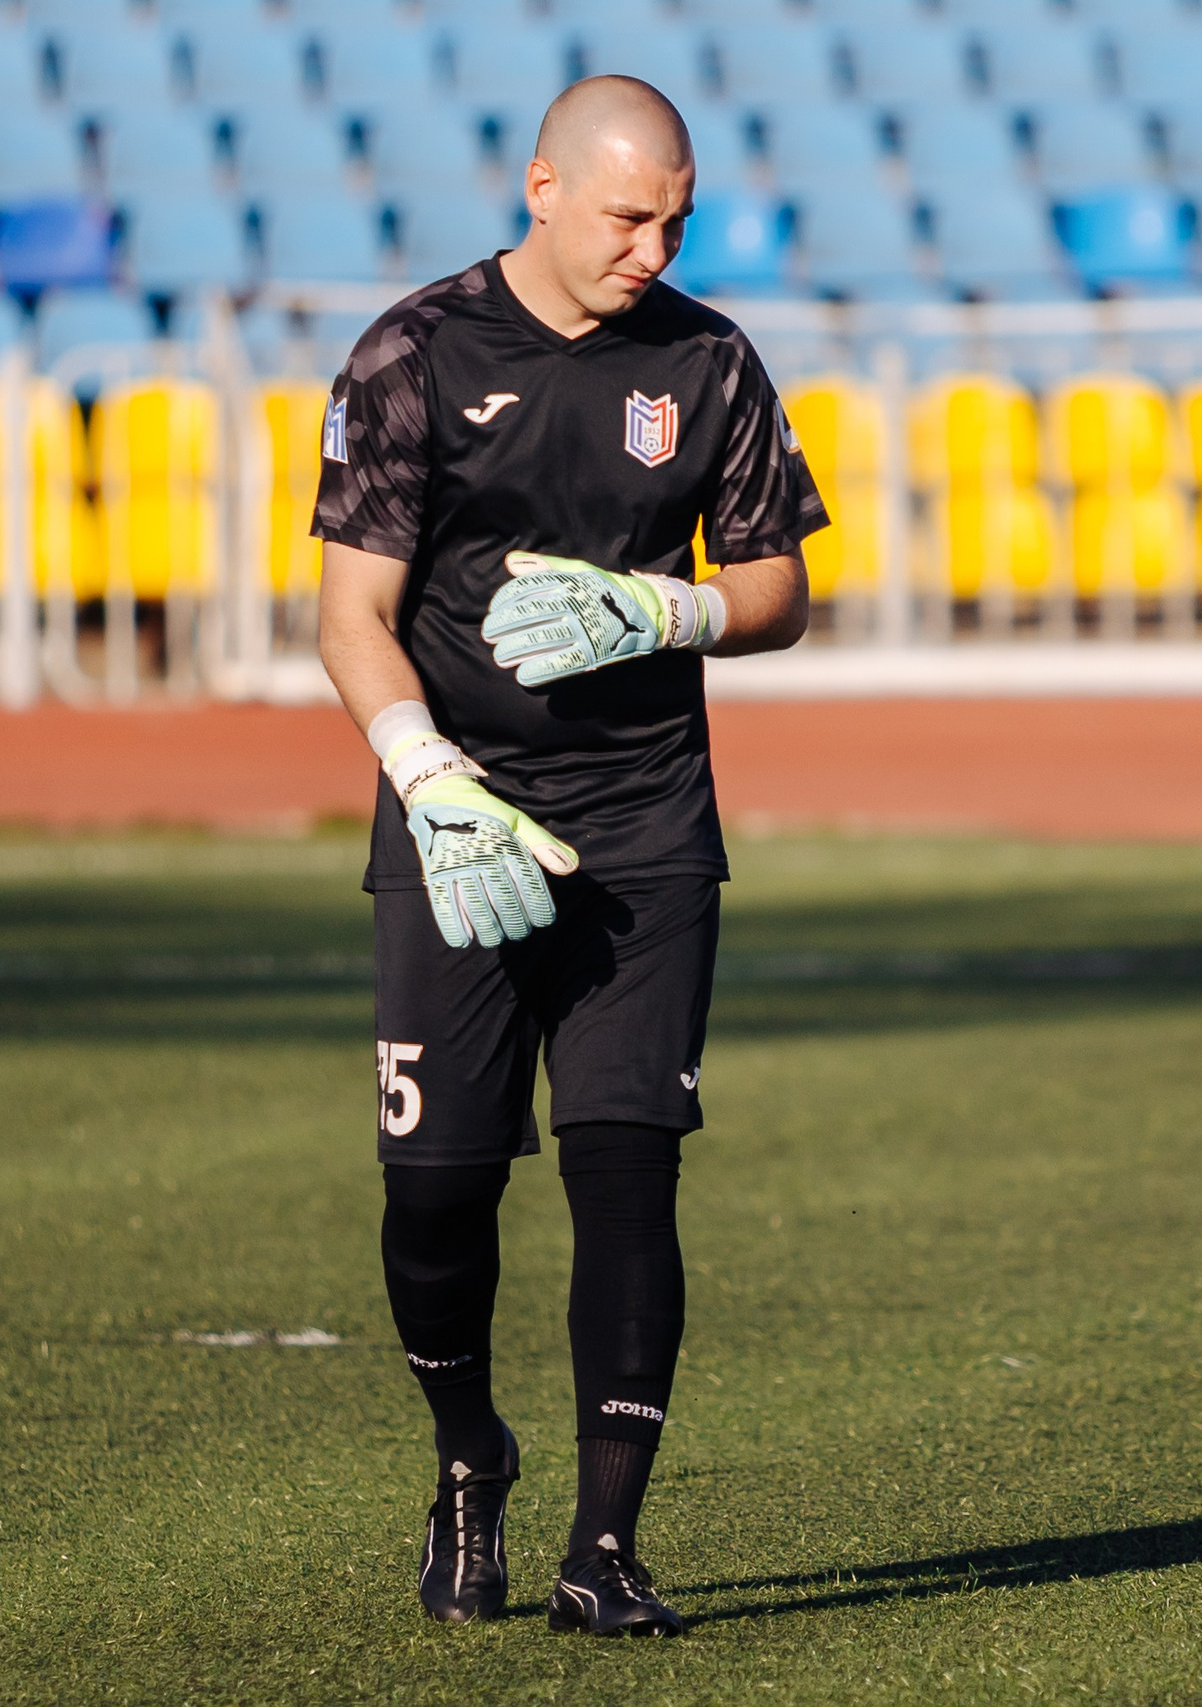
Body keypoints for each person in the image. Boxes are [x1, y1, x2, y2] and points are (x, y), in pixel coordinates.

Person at [311, 74, 824, 1638]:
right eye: (625, 216)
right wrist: (424, 772)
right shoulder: (415, 352)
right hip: (459, 818)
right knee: (439, 1192)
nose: (652, 246)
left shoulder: (709, 357)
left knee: (627, 1174)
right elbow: (353, 618)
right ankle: (470, 1454)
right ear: (542, 189)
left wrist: (675, 609)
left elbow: (781, 586)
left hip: (646, 825)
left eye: (676, 217)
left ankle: (605, 1551)